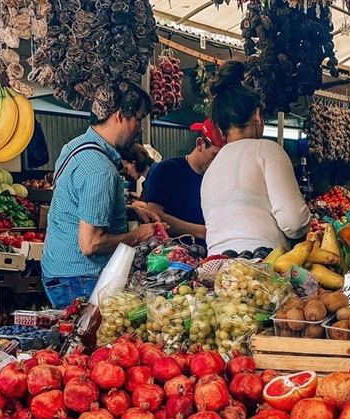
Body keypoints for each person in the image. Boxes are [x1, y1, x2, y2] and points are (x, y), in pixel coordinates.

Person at [42, 82, 161, 308]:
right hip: (80, 280)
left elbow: (80, 207)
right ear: (119, 116)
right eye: (139, 118)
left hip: (58, 271)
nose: (139, 128)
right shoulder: (99, 171)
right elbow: (91, 244)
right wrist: (138, 236)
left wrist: (129, 211)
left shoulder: (75, 148)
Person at [200, 61, 311, 255]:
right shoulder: (267, 150)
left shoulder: (211, 168)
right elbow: (294, 222)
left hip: (216, 270)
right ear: (257, 115)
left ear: (220, 127)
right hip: (261, 267)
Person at [144, 119, 223, 241]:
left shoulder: (220, 178)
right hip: (173, 254)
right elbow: (153, 213)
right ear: (200, 144)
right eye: (215, 155)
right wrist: (201, 231)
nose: (219, 162)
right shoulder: (167, 170)